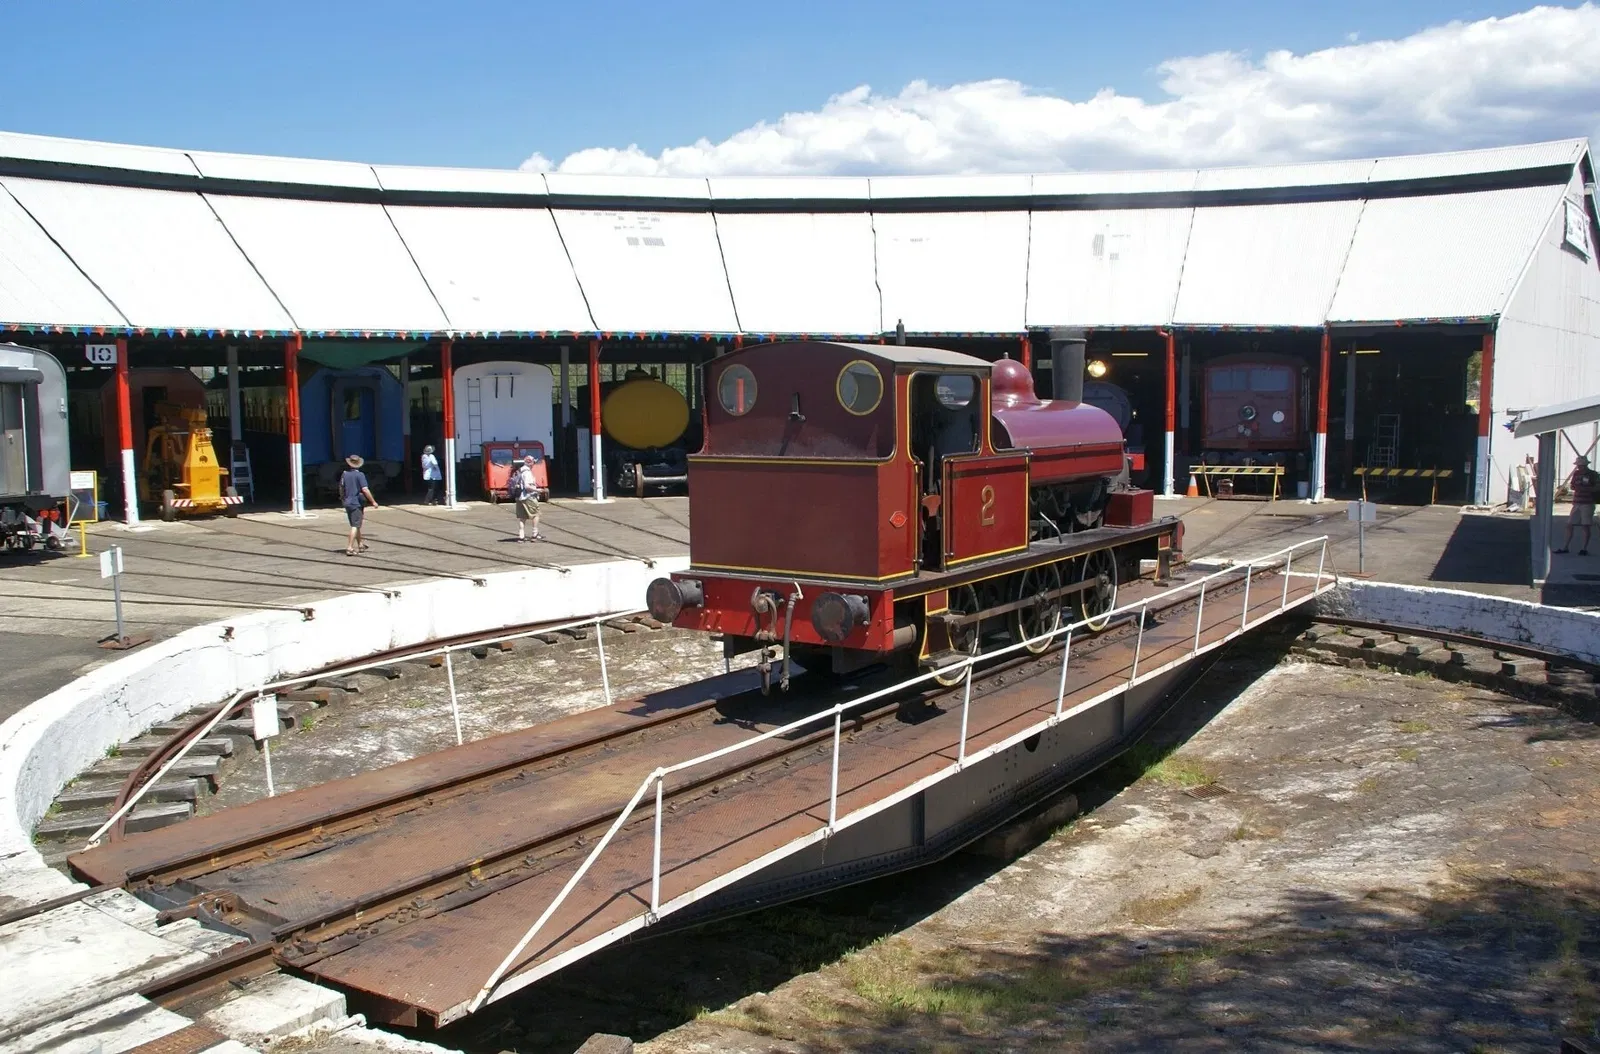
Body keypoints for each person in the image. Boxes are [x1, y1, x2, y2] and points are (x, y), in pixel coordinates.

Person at [1554, 454, 1597, 556]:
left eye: (1581, 465)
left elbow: (1597, 488)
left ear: (1585, 465)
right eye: (1578, 465)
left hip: (1588, 503)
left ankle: (1584, 548)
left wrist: (1586, 488)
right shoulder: (1576, 474)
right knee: (1569, 524)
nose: (1579, 467)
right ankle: (1565, 547)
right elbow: (1572, 485)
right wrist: (1576, 487)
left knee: (1585, 526)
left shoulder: (1593, 474)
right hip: (1577, 502)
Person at [339, 454, 379, 556]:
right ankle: (350, 547)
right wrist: (373, 501)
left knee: (356, 525)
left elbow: (341, 488)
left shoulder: (344, 474)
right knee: (355, 526)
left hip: (347, 502)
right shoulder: (360, 475)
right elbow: (365, 489)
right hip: (356, 503)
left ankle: (360, 544)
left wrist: (343, 499)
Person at [510, 453, 541, 542]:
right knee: (536, 515)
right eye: (534, 462)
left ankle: (521, 536)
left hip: (519, 498)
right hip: (528, 497)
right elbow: (527, 487)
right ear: (531, 463)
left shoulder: (519, 471)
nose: (534, 464)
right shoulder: (527, 473)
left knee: (522, 518)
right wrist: (538, 491)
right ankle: (535, 534)